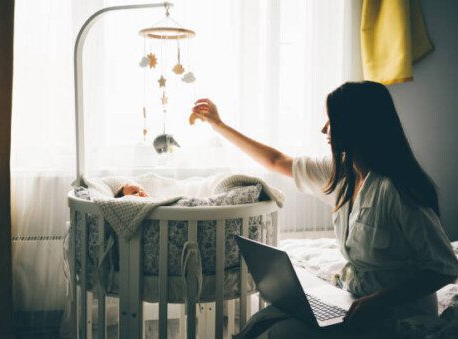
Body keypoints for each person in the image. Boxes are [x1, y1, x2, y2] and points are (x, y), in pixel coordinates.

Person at [190, 81, 458, 338]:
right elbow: (276, 160)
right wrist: (218, 125)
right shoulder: (341, 174)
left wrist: (379, 301)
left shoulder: (395, 190)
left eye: (331, 120)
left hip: (396, 316)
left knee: (281, 334)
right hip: (353, 303)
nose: (324, 129)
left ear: (356, 127)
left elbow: (444, 267)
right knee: (262, 321)